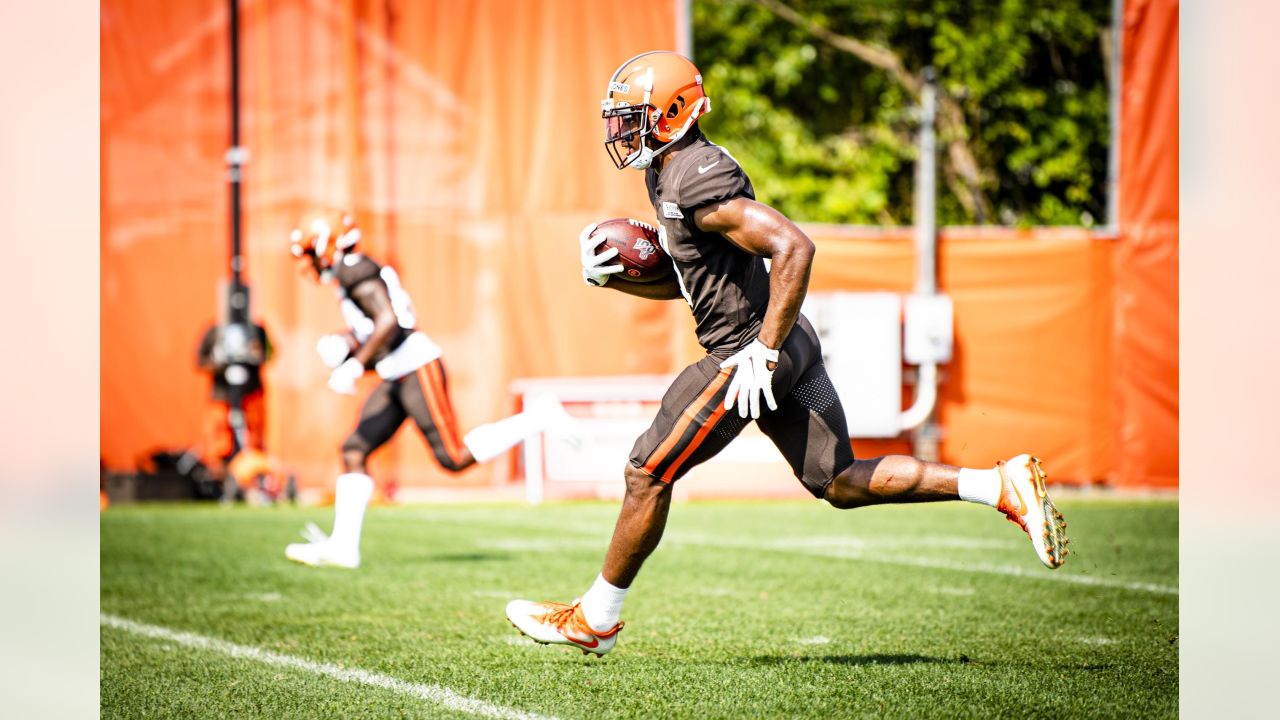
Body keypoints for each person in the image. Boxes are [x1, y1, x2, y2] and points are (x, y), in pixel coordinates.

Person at [506, 52, 1069, 656]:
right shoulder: (670, 171)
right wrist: (620, 277)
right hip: (787, 342)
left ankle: (595, 619)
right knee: (839, 481)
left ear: (671, 114)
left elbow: (794, 247)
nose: (621, 131)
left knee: (647, 470)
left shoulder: (695, 174)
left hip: (750, 352)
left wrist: (762, 353)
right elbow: (696, 275)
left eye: (632, 117)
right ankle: (997, 485)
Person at [284, 213, 569, 569]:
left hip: (417, 366)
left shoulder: (353, 268)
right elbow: (378, 325)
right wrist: (346, 344)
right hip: (397, 372)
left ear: (327, 245)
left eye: (311, 252)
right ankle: (343, 548)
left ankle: (539, 416)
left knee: (453, 457)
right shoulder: (351, 273)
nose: (310, 263)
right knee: (355, 448)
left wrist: (356, 363)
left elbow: (389, 321)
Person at [196, 318, 271, 482]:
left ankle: (252, 478)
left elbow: (269, 354)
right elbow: (200, 360)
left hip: (250, 395)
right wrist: (221, 362)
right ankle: (219, 481)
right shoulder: (214, 330)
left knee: (253, 438)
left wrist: (253, 354)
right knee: (220, 440)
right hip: (222, 395)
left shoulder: (257, 330)